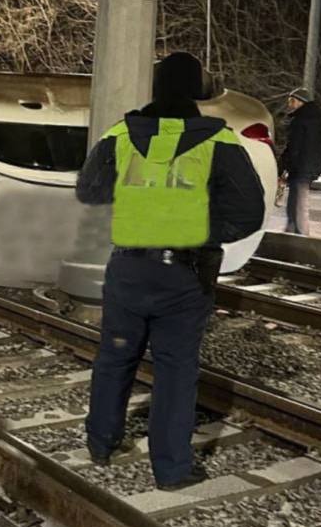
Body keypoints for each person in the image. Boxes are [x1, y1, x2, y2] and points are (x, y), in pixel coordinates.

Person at [77, 51, 265, 490]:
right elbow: (248, 213)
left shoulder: (122, 133)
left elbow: (89, 190)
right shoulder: (220, 141)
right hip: (183, 276)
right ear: (198, 91)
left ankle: (101, 443)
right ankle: (171, 469)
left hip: (127, 269)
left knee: (114, 359)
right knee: (176, 370)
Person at [278, 90, 321, 235]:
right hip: (309, 165)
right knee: (296, 201)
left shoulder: (301, 120)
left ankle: (299, 235)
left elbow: (293, 147)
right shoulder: (314, 119)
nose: (290, 104)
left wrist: (282, 167)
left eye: (292, 101)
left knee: (297, 202)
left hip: (301, 166)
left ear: (301, 102)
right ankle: (292, 231)